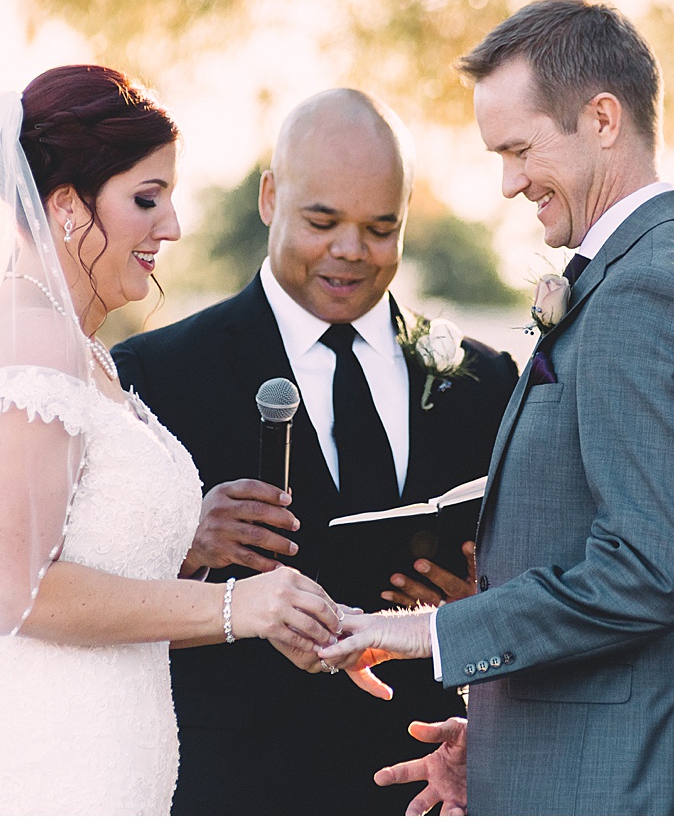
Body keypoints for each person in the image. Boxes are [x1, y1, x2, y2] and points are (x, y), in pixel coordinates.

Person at [0, 65, 342, 815]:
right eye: (147, 199)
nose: (172, 225)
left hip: (106, 770)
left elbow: (78, 568)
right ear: (67, 207)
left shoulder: (80, 349)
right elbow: (14, 592)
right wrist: (240, 606)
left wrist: (193, 546)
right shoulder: (29, 336)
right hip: (41, 773)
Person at [320, 0, 674, 815]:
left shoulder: (647, 290)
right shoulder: (641, 268)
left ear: (601, 118)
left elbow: (649, 572)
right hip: (583, 767)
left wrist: (426, 630)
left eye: (521, 149)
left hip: (624, 789)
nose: (512, 181)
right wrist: (502, 733)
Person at [112, 88, 518, 815]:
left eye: (380, 226)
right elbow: (94, 604)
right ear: (270, 197)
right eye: (323, 221)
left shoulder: (484, 380)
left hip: (422, 792)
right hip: (232, 790)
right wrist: (190, 544)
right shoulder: (157, 373)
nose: (351, 251)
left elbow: (535, 591)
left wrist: (478, 608)